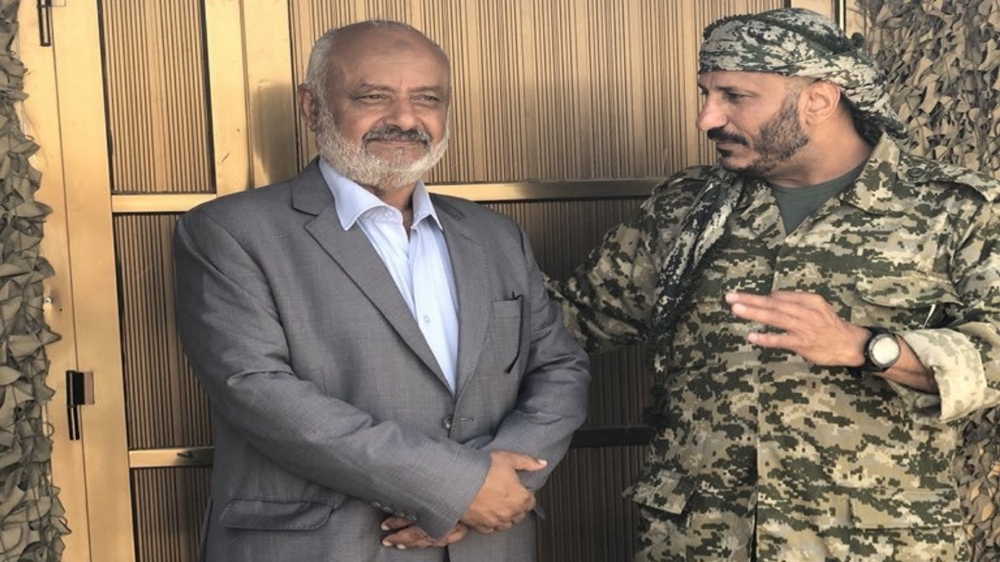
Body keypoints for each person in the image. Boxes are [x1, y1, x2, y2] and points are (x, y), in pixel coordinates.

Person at [548, 7, 1000, 561]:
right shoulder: (684, 210)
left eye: (735, 96)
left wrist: (869, 348)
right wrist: (461, 243)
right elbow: (572, 321)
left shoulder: (954, 210)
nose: (706, 118)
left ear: (819, 99)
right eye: (706, 93)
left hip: (873, 541)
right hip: (703, 542)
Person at [173, 20, 590, 562]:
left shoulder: (495, 237)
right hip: (324, 547)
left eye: (427, 98)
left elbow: (559, 369)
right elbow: (258, 392)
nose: (405, 119)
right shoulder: (230, 232)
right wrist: (457, 487)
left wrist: (502, 482)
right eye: (373, 97)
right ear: (311, 107)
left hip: (487, 545)